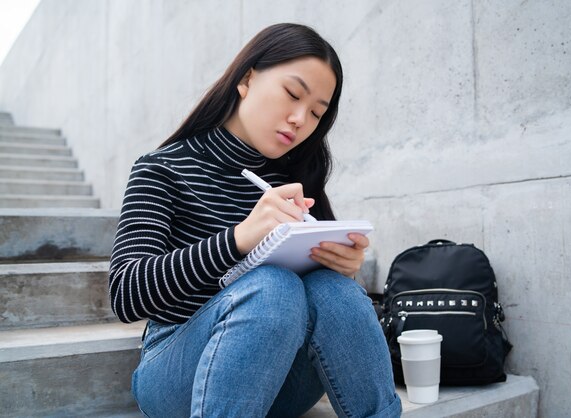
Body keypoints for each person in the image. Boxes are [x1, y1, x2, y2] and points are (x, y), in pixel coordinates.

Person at [108, 23, 401, 418]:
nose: (300, 119)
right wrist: (239, 238)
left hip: (279, 378)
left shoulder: (292, 180)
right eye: (293, 94)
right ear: (246, 79)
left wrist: (345, 269)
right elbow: (127, 294)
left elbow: (328, 308)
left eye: (317, 112)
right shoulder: (162, 169)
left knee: (336, 291)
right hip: (177, 368)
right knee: (271, 287)